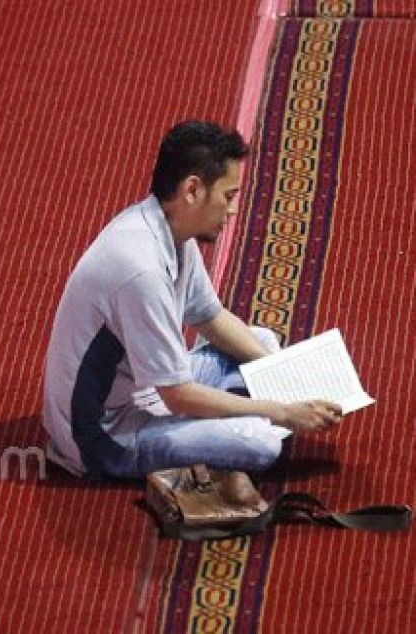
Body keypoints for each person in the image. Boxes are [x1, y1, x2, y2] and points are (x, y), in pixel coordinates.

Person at [42, 120, 341, 480]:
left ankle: (239, 406)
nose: (233, 211)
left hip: (144, 390)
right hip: (104, 436)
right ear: (193, 190)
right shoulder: (141, 272)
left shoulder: (168, 229)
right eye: (228, 197)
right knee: (261, 444)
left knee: (261, 342)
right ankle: (241, 412)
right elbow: (178, 396)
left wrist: (285, 374)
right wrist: (282, 411)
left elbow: (209, 318)